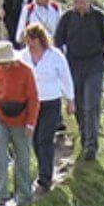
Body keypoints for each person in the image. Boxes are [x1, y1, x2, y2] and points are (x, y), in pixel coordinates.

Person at [53, 0, 104, 161]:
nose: (79, 6)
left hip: (95, 65)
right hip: (73, 65)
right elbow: (57, 43)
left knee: (92, 103)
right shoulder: (67, 18)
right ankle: (84, 133)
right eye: (76, 2)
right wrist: (55, 65)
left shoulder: (100, 18)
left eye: (82, 2)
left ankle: (91, 144)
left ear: (88, 0)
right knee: (79, 105)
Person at [0, 41, 39, 206]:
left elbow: (33, 99)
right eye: (2, 62)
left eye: (6, 61)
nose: (4, 64)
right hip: (2, 120)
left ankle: (23, 195)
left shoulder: (26, 72)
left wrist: (31, 123)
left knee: (22, 159)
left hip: (22, 121)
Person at [22, 23, 74, 193]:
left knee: (45, 137)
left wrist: (70, 99)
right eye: (28, 40)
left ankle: (45, 177)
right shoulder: (23, 56)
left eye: (33, 40)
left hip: (51, 101)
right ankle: (43, 169)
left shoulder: (55, 56)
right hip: (31, 103)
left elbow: (65, 77)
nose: (31, 44)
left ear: (40, 39)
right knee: (36, 139)